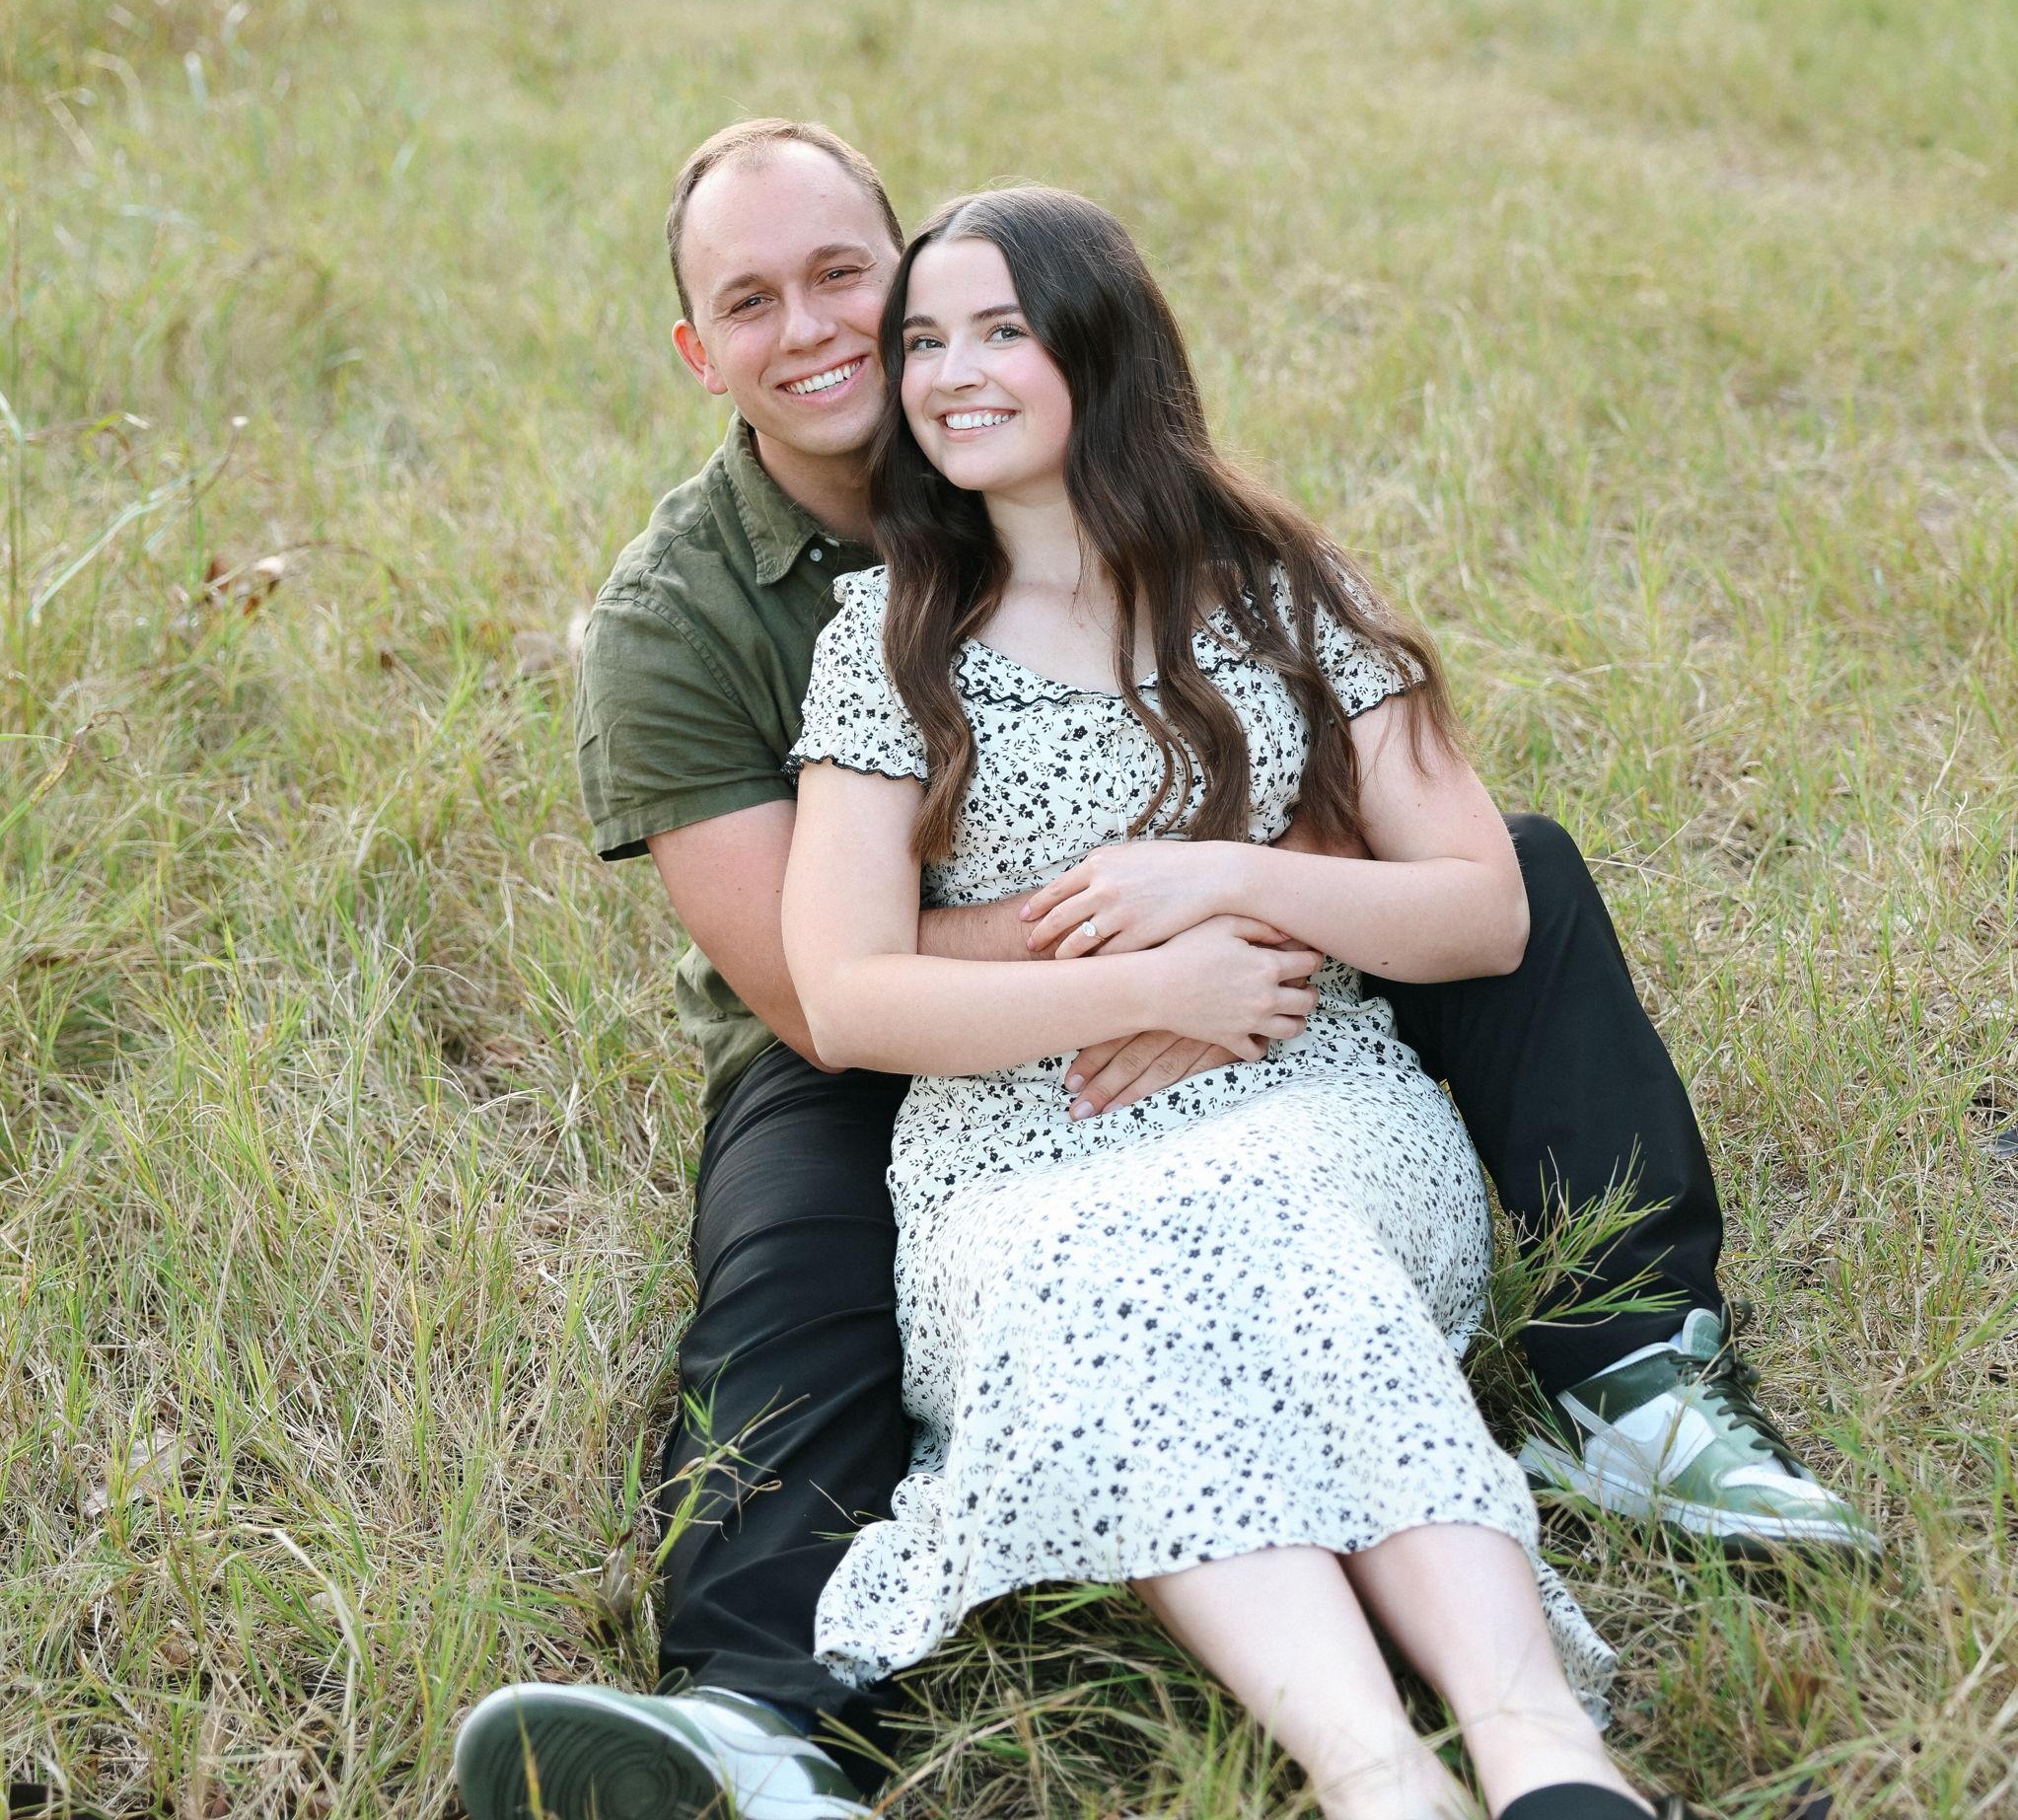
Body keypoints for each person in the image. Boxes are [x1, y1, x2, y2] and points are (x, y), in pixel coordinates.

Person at [453, 123, 1875, 1820]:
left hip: (1252, 1037)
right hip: (870, 1057)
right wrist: (1148, 970)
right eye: (754, 302)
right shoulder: (716, 617)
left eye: (854, 282)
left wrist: (1233, 905)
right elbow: (819, 991)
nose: (827, 332)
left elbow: (1404, 847)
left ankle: (1627, 1380)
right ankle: (761, 1706)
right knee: (791, 1282)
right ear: (701, 353)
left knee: (1516, 888)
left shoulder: (1229, 559)